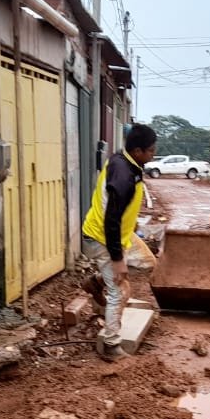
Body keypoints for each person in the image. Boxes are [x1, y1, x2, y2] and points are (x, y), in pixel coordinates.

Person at [81, 123, 158, 361]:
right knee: (120, 291)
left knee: (147, 263)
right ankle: (111, 346)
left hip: (118, 236)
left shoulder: (125, 162)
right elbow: (111, 220)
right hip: (102, 238)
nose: (153, 154)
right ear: (137, 151)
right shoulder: (124, 177)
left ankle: (96, 282)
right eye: (151, 150)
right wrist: (117, 260)